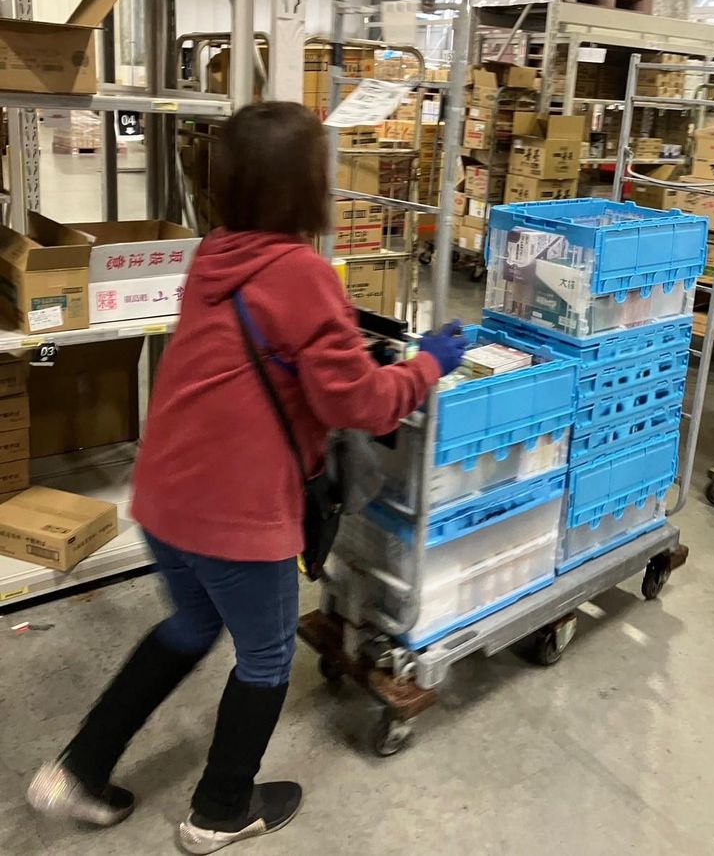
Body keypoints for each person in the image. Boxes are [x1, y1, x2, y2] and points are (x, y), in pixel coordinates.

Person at [27, 102, 466, 854]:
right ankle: (220, 810)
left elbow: (273, 365)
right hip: (235, 513)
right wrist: (429, 364)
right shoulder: (302, 273)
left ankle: (78, 770)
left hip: (165, 496)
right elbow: (359, 403)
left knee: (191, 624)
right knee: (264, 657)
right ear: (307, 185)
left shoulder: (215, 254)